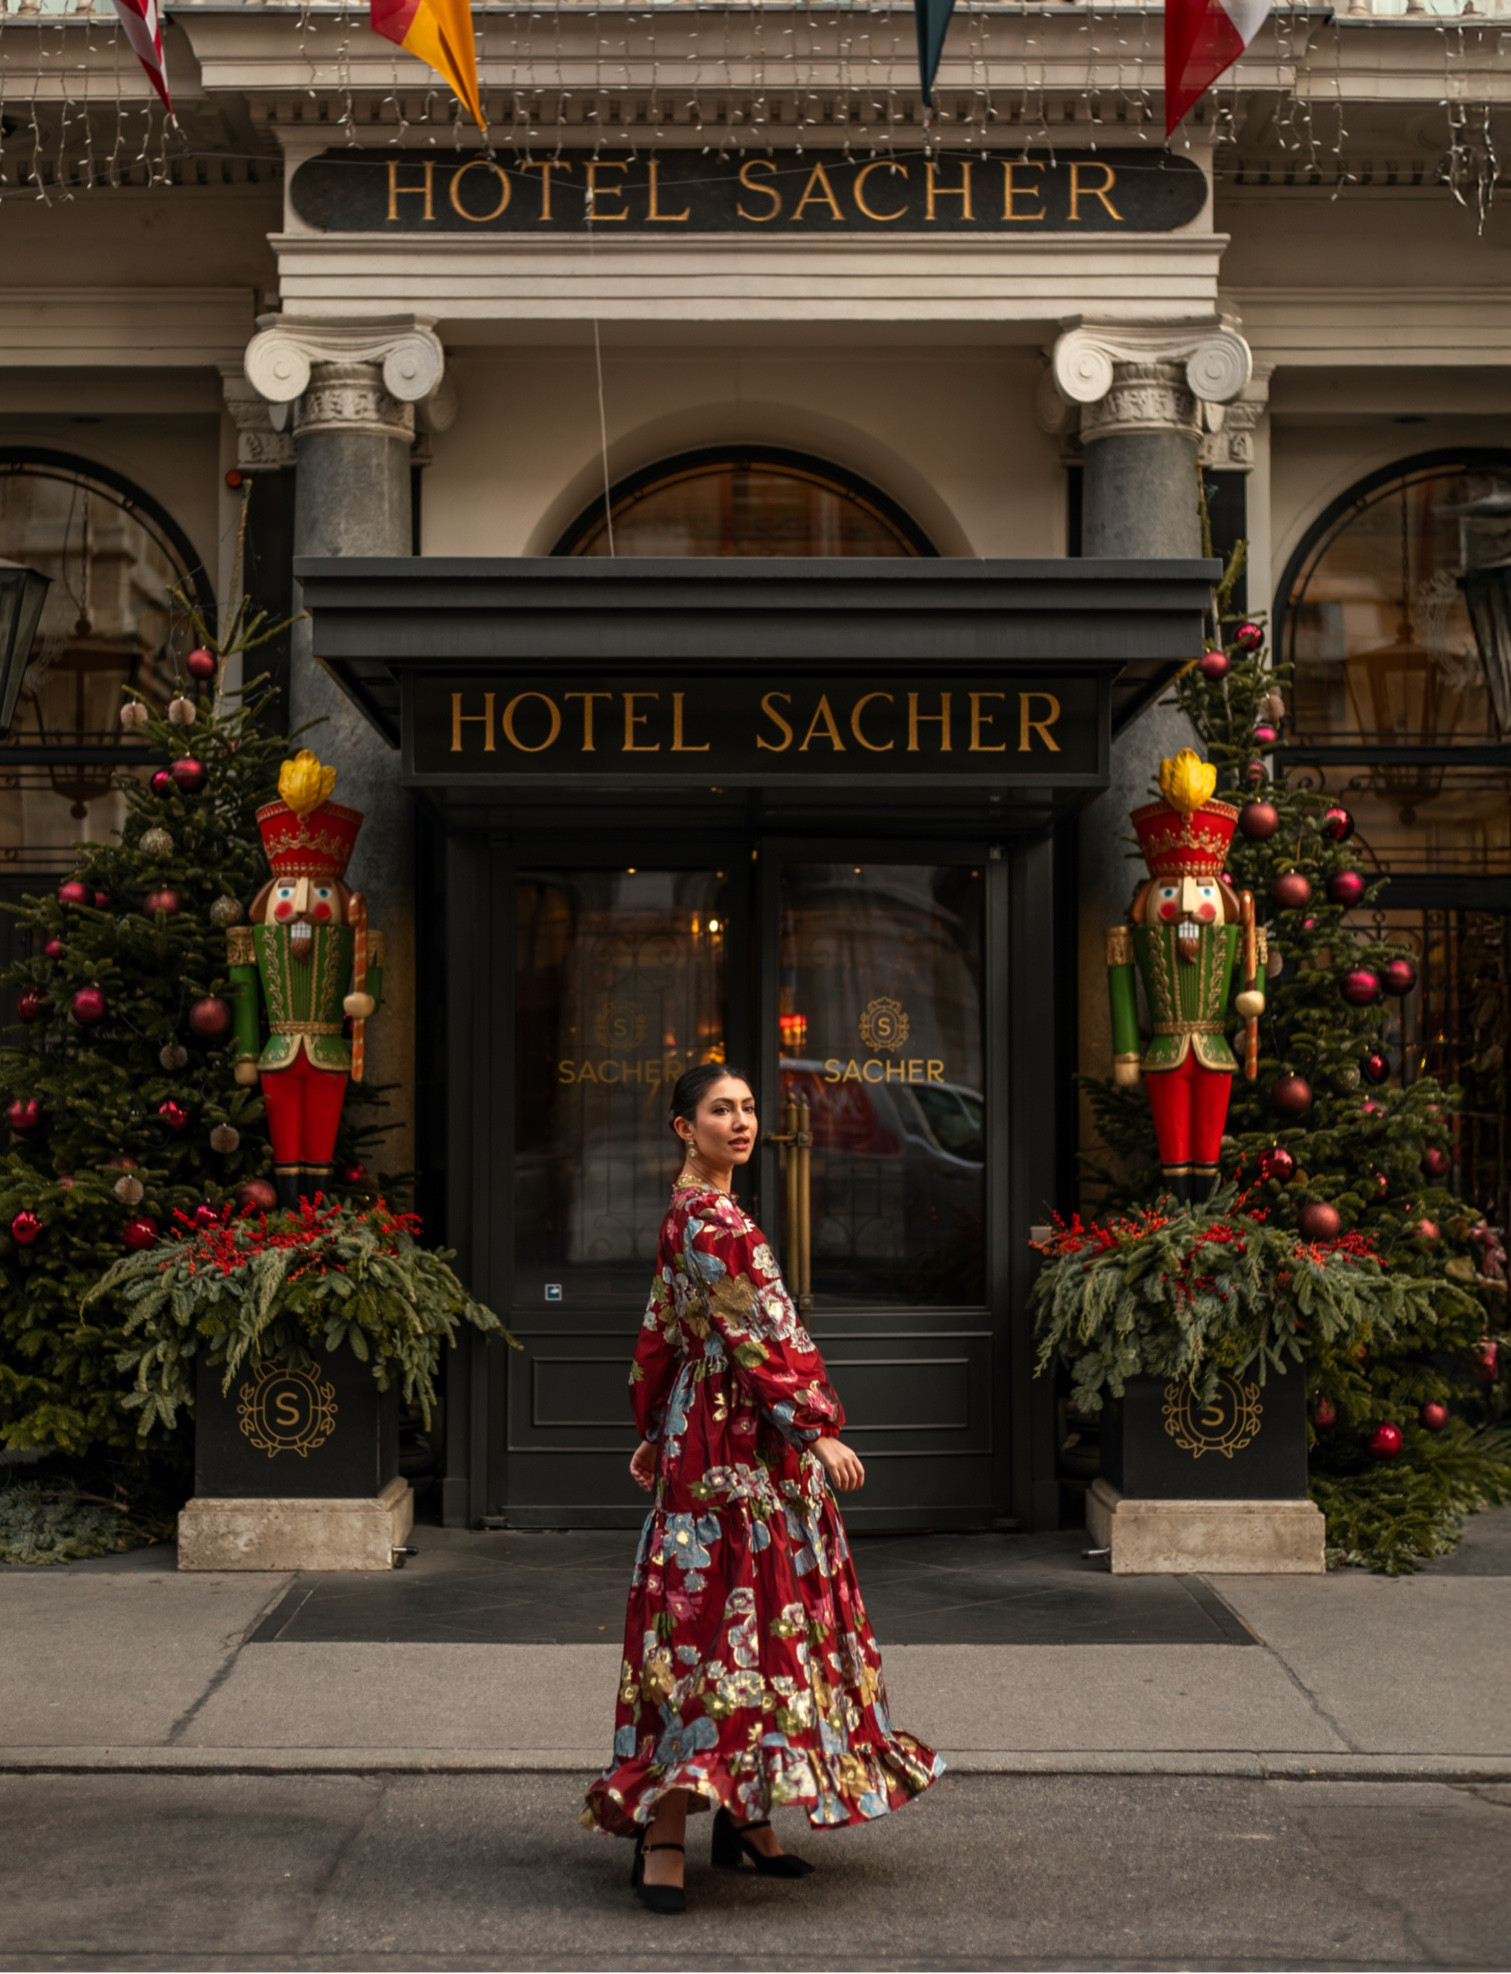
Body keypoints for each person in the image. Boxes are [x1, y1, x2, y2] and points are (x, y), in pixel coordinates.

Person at [581, 1062, 943, 1912]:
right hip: (728, 1448)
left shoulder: (716, 1214)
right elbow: (748, 1336)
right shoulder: (704, 1218)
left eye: (747, 1109)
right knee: (712, 1625)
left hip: (734, 1435)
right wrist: (816, 1428)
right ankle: (663, 1828)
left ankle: (741, 1812)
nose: (739, 1123)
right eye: (719, 1110)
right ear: (683, 1127)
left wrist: (653, 1423)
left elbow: (669, 1326)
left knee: (756, 1622)